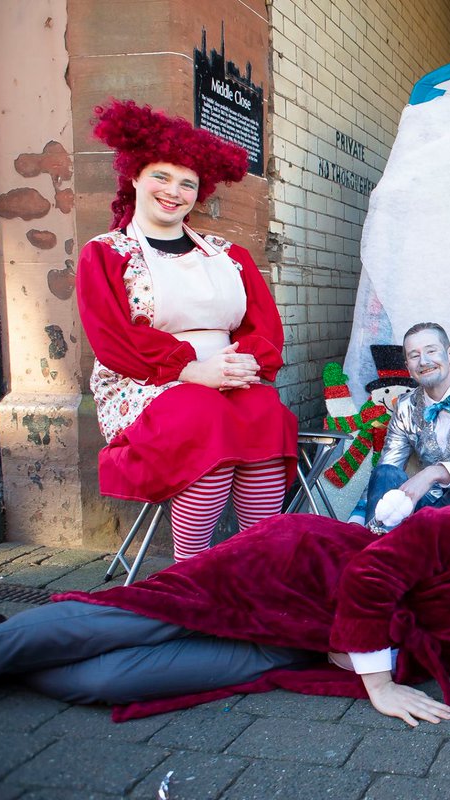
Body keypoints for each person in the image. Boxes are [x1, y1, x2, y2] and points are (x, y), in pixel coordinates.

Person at [0, 469, 450, 727]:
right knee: (132, 620)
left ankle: (4, 651)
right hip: (293, 573)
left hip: (304, 647)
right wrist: (380, 683)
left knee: (103, 682)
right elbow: (374, 576)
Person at [75, 99, 297, 560]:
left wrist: (243, 363)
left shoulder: (228, 254)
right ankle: (190, 567)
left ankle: (257, 562)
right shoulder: (107, 253)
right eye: (161, 176)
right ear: (135, 177)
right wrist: (192, 370)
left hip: (230, 375)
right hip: (144, 381)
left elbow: (263, 324)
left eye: (187, 184)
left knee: (265, 411)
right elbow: (111, 337)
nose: (173, 191)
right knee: (201, 413)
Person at [350, 322, 450, 528]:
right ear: (408, 367)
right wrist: (357, 518)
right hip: (427, 506)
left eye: (431, 351)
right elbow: (387, 468)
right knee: (385, 473)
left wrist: (435, 472)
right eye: (414, 355)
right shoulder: (405, 406)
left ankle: (396, 541)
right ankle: (374, 536)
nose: (424, 361)